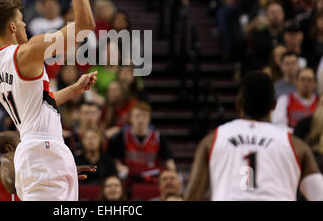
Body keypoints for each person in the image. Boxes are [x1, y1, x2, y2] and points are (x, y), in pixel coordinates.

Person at [0, 0, 96, 201]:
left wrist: (75, 89)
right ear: (12, 27)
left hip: (38, 151)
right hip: (42, 151)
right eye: (22, 23)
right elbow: (86, 25)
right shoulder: (27, 52)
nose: (25, 28)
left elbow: (37, 103)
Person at [184, 72, 323, 201]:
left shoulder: (212, 140)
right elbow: (319, 195)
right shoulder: (295, 145)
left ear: (238, 103)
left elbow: (192, 196)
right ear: (274, 105)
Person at [107, 102, 176, 184]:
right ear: (131, 118)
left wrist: (173, 174)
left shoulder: (158, 137)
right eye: (137, 116)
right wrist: (121, 168)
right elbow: (116, 161)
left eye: (144, 116)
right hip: (130, 176)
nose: (140, 120)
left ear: (149, 118)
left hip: (152, 176)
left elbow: (169, 161)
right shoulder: (122, 137)